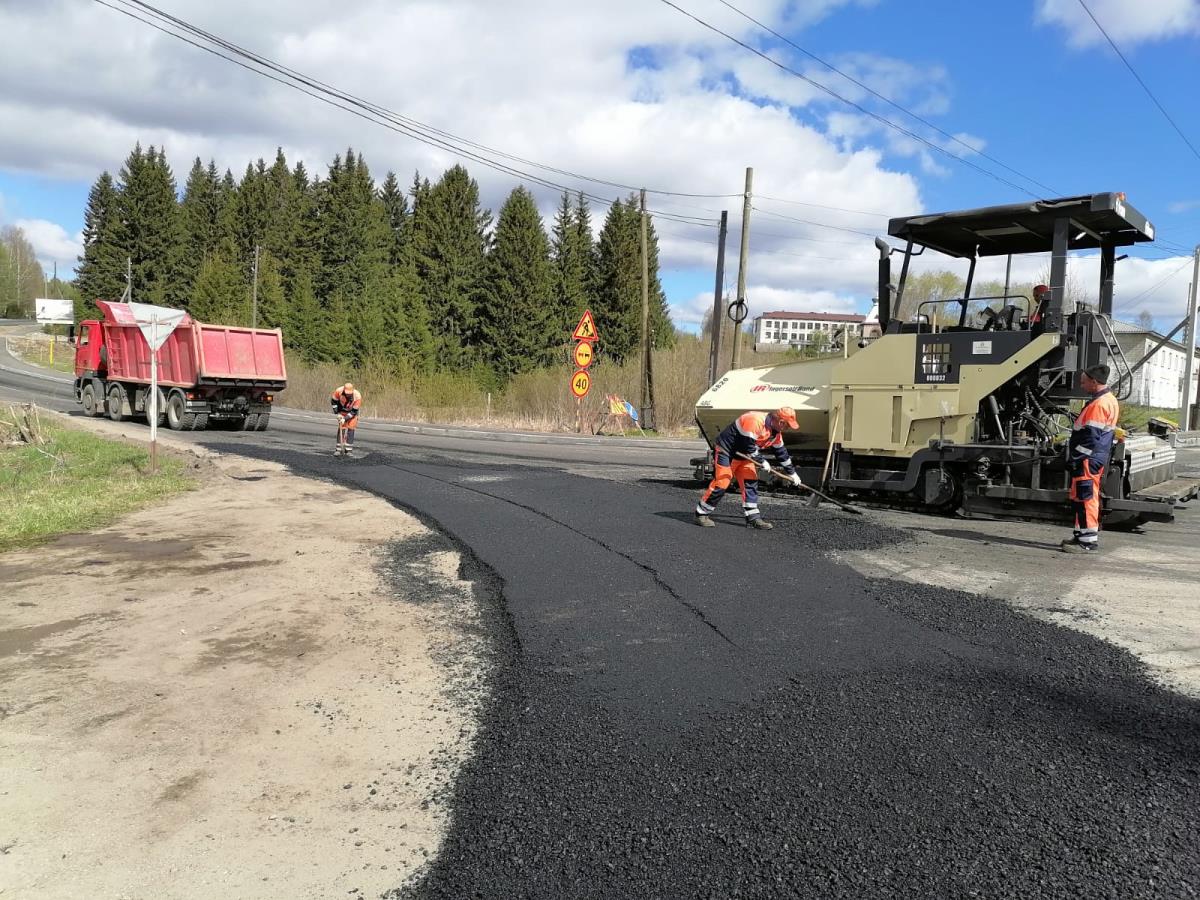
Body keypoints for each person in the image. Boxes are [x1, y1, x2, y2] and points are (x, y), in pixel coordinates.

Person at [695, 407, 801, 530]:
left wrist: (792, 473)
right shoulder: (755, 420)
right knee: (722, 482)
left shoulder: (775, 433)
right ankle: (701, 514)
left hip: (744, 456)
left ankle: (753, 518)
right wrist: (762, 461)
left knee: (750, 482)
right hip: (727, 451)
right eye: (787, 425)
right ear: (781, 422)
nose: (787, 428)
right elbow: (749, 446)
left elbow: (781, 453)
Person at [1062, 364, 1120, 553]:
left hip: (1087, 458)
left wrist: (1075, 457)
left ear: (1094, 381)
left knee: (1086, 498)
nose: (1081, 385)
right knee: (1081, 496)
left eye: (1084, 382)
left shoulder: (1099, 404)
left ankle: (1087, 542)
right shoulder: (1109, 400)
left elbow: (1090, 438)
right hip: (1094, 457)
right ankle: (1081, 535)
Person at [330, 382, 362, 456]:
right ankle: (338, 449)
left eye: (349, 393)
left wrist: (345, 418)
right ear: (344, 390)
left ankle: (348, 450)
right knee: (342, 428)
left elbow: (354, 411)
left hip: (352, 413)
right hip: (342, 411)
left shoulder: (357, 396)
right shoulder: (338, 391)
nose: (348, 395)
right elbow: (333, 401)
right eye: (346, 393)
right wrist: (337, 413)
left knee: (351, 429)